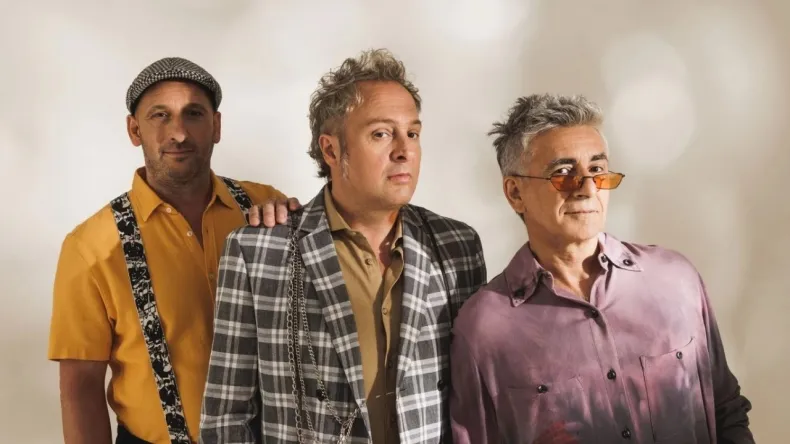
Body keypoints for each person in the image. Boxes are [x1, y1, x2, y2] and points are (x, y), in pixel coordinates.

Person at [199, 48, 487, 444]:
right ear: (331, 150)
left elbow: (473, 402)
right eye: (381, 134)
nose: (404, 150)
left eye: (413, 133)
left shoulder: (457, 247)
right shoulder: (257, 253)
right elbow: (226, 419)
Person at [449, 93, 755, 444]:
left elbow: (725, 409)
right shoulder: (484, 328)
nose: (587, 188)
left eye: (596, 170)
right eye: (563, 173)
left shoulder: (676, 280)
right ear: (515, 193)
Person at [47, 57, 295, 444]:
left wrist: (299, 226)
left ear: (216, 126)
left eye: (193, 114)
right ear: (134, 130)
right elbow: (81, 387)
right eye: (160, 116)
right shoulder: (90, 247)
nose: (178, 133)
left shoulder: (266, 206)